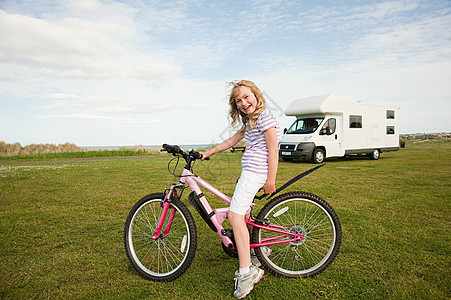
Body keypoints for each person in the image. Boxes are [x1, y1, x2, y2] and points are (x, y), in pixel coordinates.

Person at [201, 80, 280, 299]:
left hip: (256, 173)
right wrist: (208, 153)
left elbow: (273, 149)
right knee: (242, 215)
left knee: (235, 216)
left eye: (247, 97)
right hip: (249, 172)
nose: (244, 103)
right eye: (238, 101)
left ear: (256, 95)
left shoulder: (265, 117)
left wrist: (270, 180)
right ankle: (257, 252)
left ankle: (247, 272)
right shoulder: (250, 121)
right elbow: (231, 141)